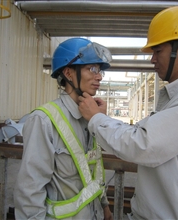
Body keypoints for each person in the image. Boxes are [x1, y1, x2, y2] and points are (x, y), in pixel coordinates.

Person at [78, 6, 178, 220]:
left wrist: (96, 119)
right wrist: (104, 119)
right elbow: (143, 135)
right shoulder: (177, 98)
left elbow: (143, 144)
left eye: (158, 51)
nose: (152, 59)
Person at [14, 37, 113, 220]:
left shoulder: (92, 117)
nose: (98, 76)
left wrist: (104, 205)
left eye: (99, 71)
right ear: (68, 73)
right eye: (91, 69)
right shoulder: (44, 120)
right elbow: (30, 190)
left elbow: (93, 170)